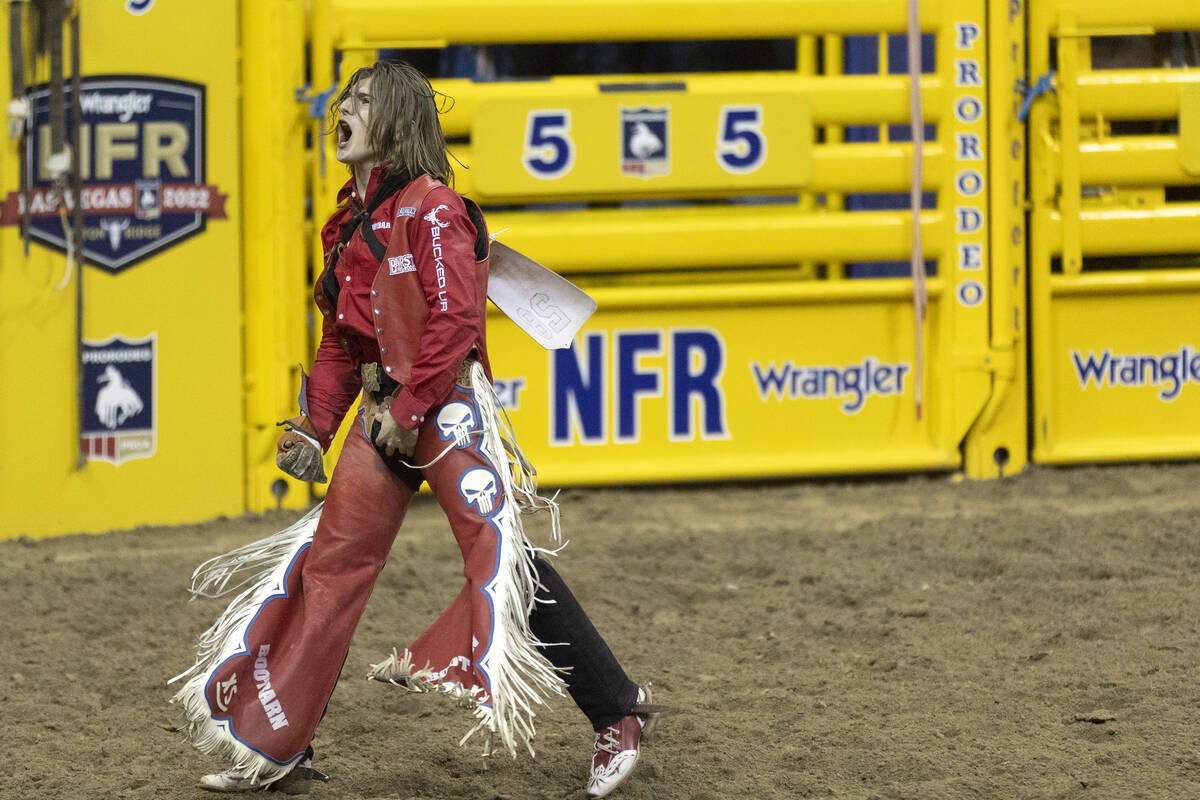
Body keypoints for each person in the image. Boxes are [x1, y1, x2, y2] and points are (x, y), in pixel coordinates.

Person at [169, 61, 663, 799]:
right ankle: (278, 750)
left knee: (503, 564)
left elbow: (456, 321)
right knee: (329, 575)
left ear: (397, 123)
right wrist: (317, 424)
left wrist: (406, 412)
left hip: (442, 408)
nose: (344, 109)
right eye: (345, 98)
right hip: (389, 415)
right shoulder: (347, 223)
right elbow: (343, 339)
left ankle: (617, 712)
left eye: (362, 101)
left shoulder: (433, 209)